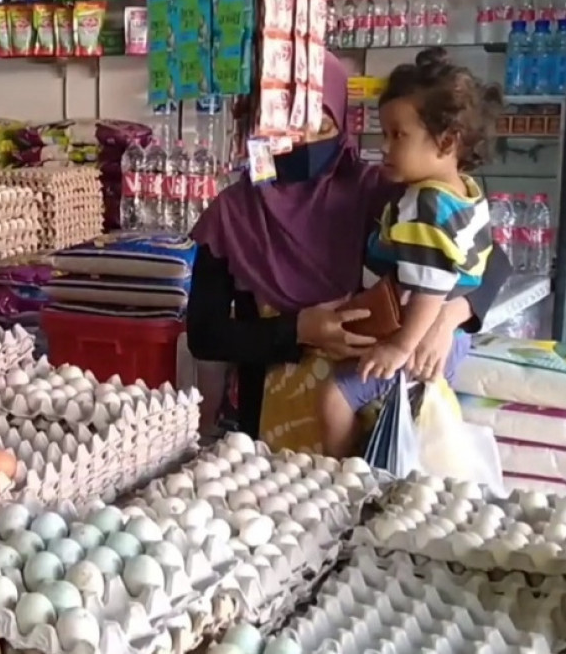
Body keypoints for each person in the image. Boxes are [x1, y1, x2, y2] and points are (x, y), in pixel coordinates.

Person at [187, 51, 512, 454]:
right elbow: (205, 335)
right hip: (269, 435)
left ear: (342, 121)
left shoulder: (384, 191)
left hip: (376, 418)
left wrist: (446, 318)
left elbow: (490, 259)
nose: (302, 141)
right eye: (285, 123)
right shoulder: (232, 214)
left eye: (319, 124)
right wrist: (297, 331)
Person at [317, 49, 502, 457]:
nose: (384, 147)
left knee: (335, 398)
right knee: (408, 428)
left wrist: (400, 346)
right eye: (384, 134)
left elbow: (431, 288)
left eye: (398, 136)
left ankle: (340, 480)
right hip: (445, 336)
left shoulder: (425, 206)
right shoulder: (463, 191)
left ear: (447, 141)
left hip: (421, 337)